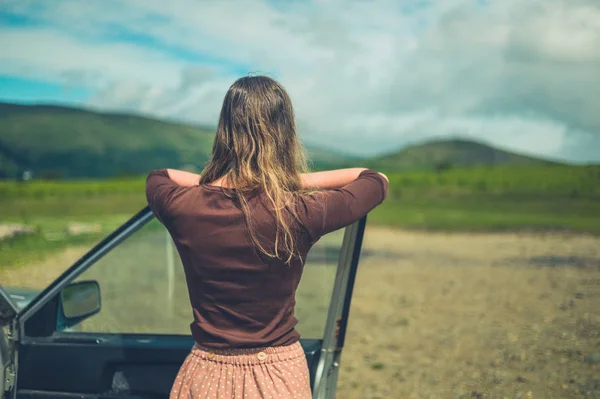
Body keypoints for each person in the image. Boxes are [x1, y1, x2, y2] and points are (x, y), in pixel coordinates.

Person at [145, 75, 388, 399]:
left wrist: (216, 184)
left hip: (205, 374)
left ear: (225, 131)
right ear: (284, 133)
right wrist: (288, 181)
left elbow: (159, 177)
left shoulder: (181, 206)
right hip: (279, 377)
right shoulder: (298, 211)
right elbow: (374, 179)